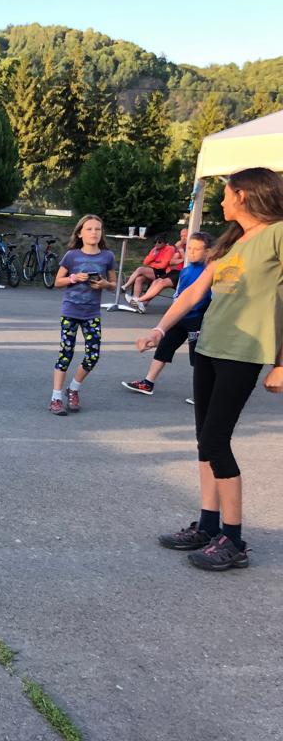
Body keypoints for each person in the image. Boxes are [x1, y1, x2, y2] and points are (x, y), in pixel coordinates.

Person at [138, 168, 283, 571]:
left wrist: (281, 364)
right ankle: (207, 526)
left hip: (244, 352)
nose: (222, 201)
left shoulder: (277, 234)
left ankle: (233, 541)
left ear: (245, 195)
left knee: (217, 441)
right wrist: (159, 329)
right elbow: (192, 295)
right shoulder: (231, 241)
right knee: (205, 440)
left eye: (226, 194)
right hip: (209, 346)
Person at [123, 232, 213, 397]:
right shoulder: (185, 271)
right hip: (180, 317)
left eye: (197, 249)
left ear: (207, 252)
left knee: (197, 358)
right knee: (164, 347)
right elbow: (178, 294)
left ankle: (203, 394)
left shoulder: (209, 272)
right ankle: (148, 382)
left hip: (198, 319)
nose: (191, 252)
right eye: (189, 248)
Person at [49, 214, 117, 415]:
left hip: (92, 313)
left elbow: (113, 285)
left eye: (98, 229)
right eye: (89, 229)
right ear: (80, 233)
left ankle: (73, 388)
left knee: (93, 356)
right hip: (70, 311)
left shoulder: (107, 256)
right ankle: (56, 398)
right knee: (66, 354)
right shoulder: (71, 256)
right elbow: (57, 282)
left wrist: (104, 284)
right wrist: (73, 278)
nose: (94, 232)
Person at [131, 227, 189, 311]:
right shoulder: (178, 247)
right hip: (173, 271)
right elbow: (171, 262)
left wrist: (181, 251)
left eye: (185, 236)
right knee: (155, 281)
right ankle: (142, 303)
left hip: (182, 273)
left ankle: (139, 300)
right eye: (181, 236)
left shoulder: (184, 248)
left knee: (161, 282)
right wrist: (181, 258)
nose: (183, 238)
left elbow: (187, 262)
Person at [121, 234, 176, 312]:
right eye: (155, 242)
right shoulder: (154, 249)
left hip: (164, 272)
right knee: (139, 278)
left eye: (159, 242)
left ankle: (126, 286)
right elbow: (146, 262)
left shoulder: (169, 249)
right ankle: (137, 301)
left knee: (140, 269)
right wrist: (154, 256)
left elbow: (163, 265)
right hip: (154, 270)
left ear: (164, 242)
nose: (156, 244)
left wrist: (153, 264)